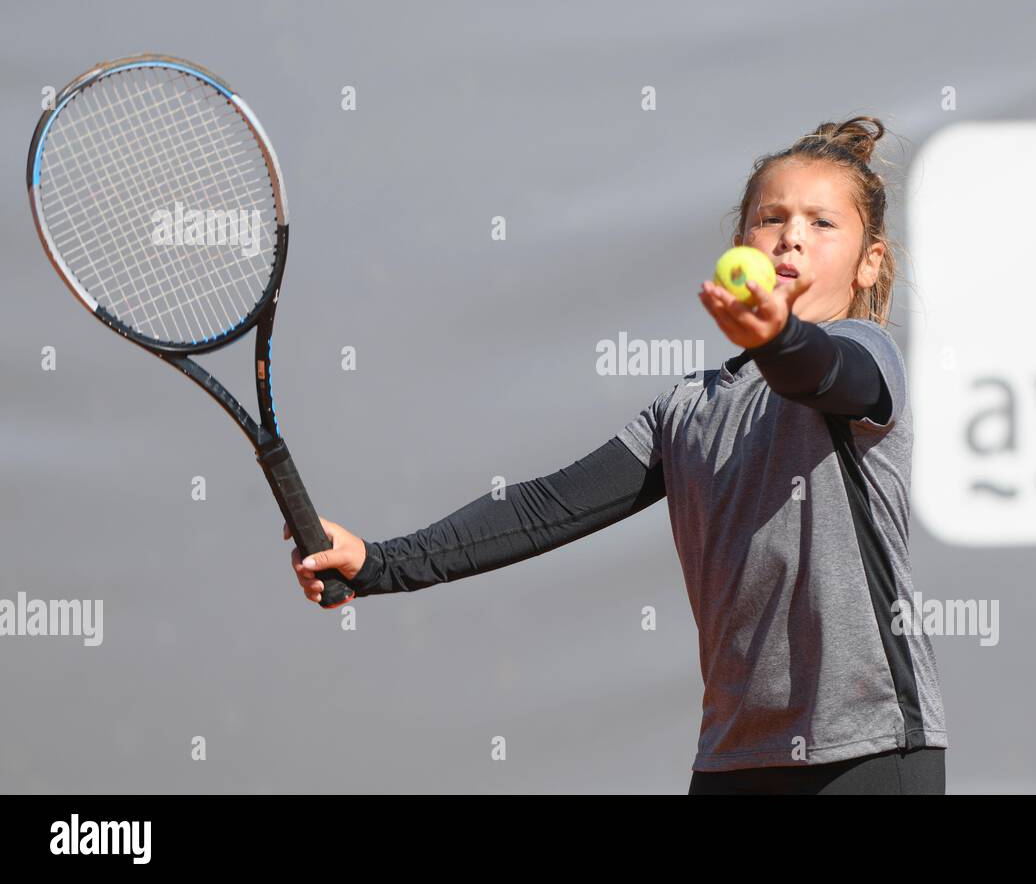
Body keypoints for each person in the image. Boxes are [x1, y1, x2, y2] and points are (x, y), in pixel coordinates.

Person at [286, 116, 947, 794]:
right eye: (770, 218)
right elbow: (549, 506)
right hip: (734, 758)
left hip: (871, 751)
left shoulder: (867, 354)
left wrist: (779, 338)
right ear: (739, 242)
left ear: (871, 261)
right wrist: (379, 562)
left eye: (822, 224)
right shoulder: (687, 409)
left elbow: (822, 372)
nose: (791, 237)